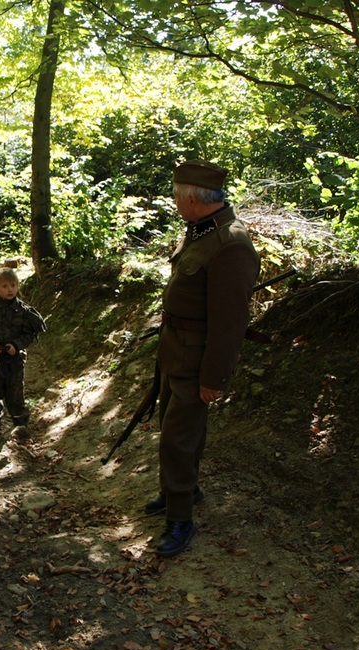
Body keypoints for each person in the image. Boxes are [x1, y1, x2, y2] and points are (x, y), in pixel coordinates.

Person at [147, 159, 260, 558]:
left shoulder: (230, 245)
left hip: (197, 362)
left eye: (177, 197)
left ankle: (180, 519)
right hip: (176, 352)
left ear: (193, 198)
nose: (175, 203)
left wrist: (214, 378)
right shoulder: (201, 232)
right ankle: (183, 489)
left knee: (178, 439)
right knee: (175, 428)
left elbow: (230, 324)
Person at [0, 268, 46, 434]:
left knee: (15, 392)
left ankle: (20, 422)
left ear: (17, 286)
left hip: (15, 359)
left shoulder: (24, 311)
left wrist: (17, 345)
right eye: (5, 286)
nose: (10, 289)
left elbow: (31, 334)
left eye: (13, 285)